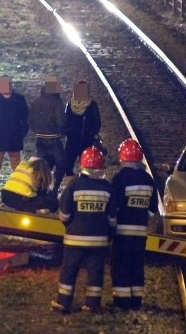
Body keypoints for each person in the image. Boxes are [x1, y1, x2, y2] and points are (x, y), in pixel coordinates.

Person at [51, 146, 116, 315]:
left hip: (75, 239)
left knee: (69, 270)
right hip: (99, 240)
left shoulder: (74, 186)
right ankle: (92, 304)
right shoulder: (108, 188)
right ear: (102, 167)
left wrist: (70, 226)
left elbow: (64, 213)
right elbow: (112, 218)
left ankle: (63, 303)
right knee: (95, 272)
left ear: (82, 166)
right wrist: (109, 233)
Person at [110, 138, 157, 311]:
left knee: (121, 264)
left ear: (122, 157)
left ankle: (122, 301)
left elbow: (113, 206)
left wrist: (112, 225)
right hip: (140, 232)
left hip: (122, 231)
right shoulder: (148, 180)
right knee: (137, 265)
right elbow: (153, 209)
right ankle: (136, 299)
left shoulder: (120, 179)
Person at [0, 74, 29, 204]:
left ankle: (18, 194)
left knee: (17, 168)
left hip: (14, 138)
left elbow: (26, 119)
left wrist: (21, 133)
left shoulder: (19, 99)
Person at [28, 76, 67, 196]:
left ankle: (41, 191)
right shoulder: (57, 102)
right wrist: (62, 133)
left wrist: (37, 131)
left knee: (44, 167)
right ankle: (53, 190)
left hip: (40, 140)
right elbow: (62, 122)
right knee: (61, 165)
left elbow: (29, 120)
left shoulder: (35, 102)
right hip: (54, 140)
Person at [62, 80, 101, 182]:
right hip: (72, 141)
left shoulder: (92, 105)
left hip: (86, 141)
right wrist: (68, 132)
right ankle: (73, 186)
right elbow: (65, 121)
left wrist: (90, 134)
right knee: (67, 166)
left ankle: (83, 185)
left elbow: (97, 123)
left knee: (86, 166)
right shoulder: (70, 104)